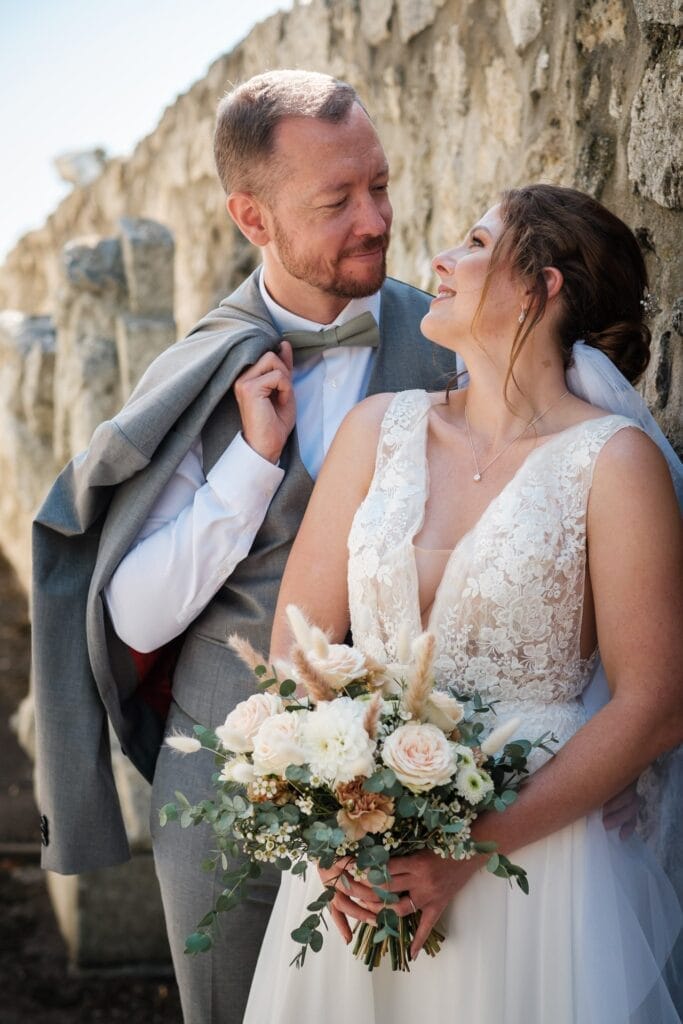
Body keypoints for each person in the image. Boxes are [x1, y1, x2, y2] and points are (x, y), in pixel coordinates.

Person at [31, 70, 460, 1024]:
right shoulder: (200, 367)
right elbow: (134, 611)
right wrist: (247, 473)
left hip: (421, 778)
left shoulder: (449, 346)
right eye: (337, 200)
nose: (374, 219)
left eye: (379, 186)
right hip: (230, 784)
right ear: (250, 217)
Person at [244, 184, 683, 1024]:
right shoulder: (378, 429)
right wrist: (330, 831)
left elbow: (656, 705)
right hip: (363, 856)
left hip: (538, 859)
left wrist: (467, 852)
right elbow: (297, 650)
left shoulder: (611, 462)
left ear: (539, 285)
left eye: (474, 243)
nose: (438, 261)